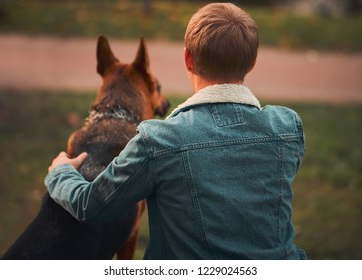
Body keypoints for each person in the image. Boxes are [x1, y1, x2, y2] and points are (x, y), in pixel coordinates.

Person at [45, 2, 306, 259]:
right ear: (252, 63)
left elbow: (91, 206)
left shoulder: (158, 142)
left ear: (188, 59)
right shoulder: (287, 127)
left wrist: (60, 173)